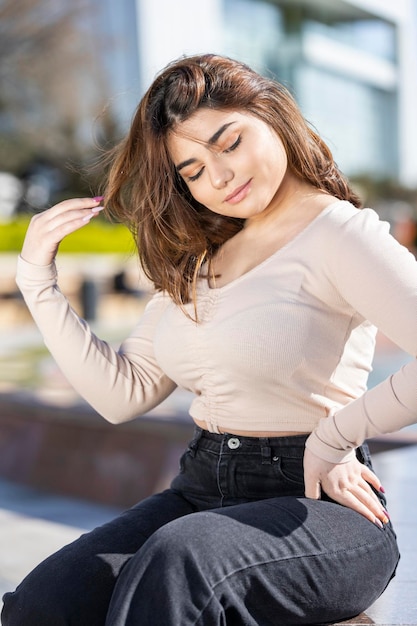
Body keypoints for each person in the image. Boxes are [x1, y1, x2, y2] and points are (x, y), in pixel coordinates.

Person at [2, 53, 416, 626]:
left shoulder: (339, 232)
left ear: (271, 115)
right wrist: (37, 283)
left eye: (229, 142)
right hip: (203, 485)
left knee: (181, 562)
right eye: (192, 171)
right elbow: (125, 395)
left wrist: (335, 435)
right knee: (45, 602)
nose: (218, 177)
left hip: (322, 504)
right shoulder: (201, 255)